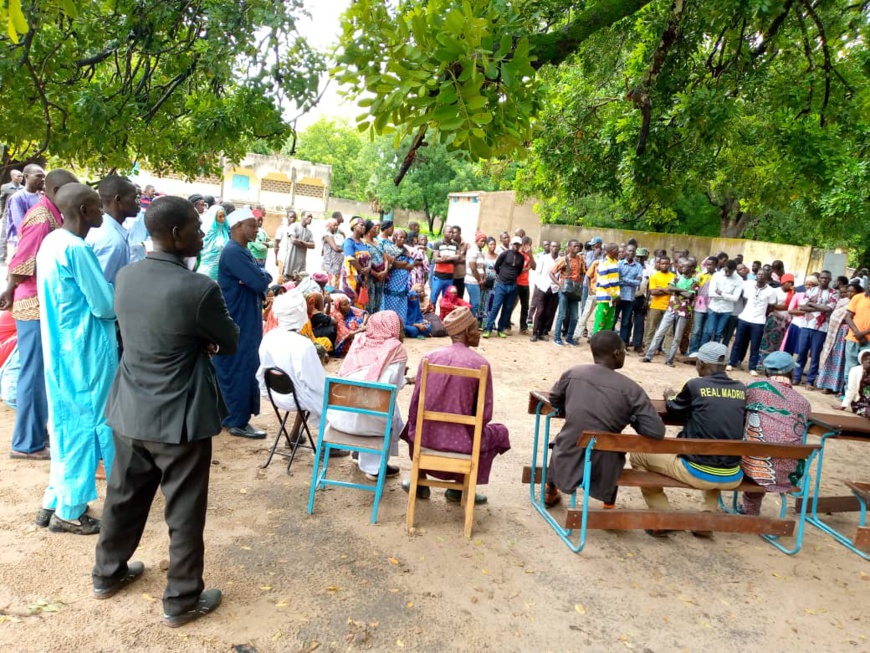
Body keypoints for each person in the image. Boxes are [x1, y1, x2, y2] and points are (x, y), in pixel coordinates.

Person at [93, 195, 237, 626]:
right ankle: (180, 600)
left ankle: (107, 574)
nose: (202, 232)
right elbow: (228, 340)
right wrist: (202, 341)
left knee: (122, 497)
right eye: (196, 226)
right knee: (184, 510)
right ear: (176, 234)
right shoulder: (199, 288)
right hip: (181, 417)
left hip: (130, 410)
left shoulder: (126, 276)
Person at [36, 183, 118, 535]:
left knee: (67, 423)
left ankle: (53, 499)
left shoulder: (51, 242)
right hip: (85, 351)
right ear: (84, 211)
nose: (102, 213)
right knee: (87, 427)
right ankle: (71, 510)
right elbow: (104, 305)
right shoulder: (77, 249)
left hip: (60, 348)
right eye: (98, 207)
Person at [1, 169, 78, 460]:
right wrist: (8, 290)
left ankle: (35, 435)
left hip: (43, 301)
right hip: (31, 303)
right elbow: (21, 261)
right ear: (56, 189)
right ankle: (25, 443)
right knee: (32, 374)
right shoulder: (40, 217)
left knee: (40, 373)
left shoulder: (53, 214)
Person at [632, 342, 747, 537]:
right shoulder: (741, 389)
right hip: (732, 474)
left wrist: (669, 396)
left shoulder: (696, 385)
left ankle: (663, 517)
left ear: (701, 363)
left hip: (697, 471)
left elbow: (675, 407)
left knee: (638, 455)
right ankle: (706, 519)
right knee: (716, 451)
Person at [400, 307, 511, 504]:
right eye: (476, 329)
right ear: (467, 332)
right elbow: (484, 414)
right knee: (499, 432)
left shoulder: (429, 357)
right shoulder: (480, 364)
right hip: (464, 445)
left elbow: (415, 406)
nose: (479, 333)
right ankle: (460, 488)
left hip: (426, 440)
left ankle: (420, 481)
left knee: (410, 424)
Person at [544, 330, 666, 508]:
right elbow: (656, 431)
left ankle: (550, 489)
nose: (625, 354)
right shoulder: (631, 389)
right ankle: (608, 506)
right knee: (612, 447)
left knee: (566, 436)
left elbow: (554, 399)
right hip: (605, 464)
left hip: (567, 452)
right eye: (624, 350)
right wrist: (631, 416)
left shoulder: (573, 372)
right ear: (616, 353)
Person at [213, 207, 272, 439]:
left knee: (244, 365)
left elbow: (261, 276)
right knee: (239, 366)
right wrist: (259, 277)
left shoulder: (241, 250)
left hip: (246, 317)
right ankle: (236, 420)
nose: (257, 229)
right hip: (238, 319)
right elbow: (259, 280)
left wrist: (259, 276)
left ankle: (235, 416)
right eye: (252, 225)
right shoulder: (234, 252)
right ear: (238, 227)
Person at [329, 311, 407, 481]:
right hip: (372, 424)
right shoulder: (397, 350)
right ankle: (375, 467)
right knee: (392, 409)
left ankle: (359, 454)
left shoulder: (359, 341)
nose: (402, 333)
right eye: (400, 329)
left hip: (339, 419)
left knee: (366, 399)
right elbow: (395, 386)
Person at [739, 352, 811, 516]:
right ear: (791, 373)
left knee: (755, 443)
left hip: (752, 470)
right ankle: (750, 510)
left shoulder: (754, 387)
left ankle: (750, 510)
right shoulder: (804, 403)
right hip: (787, 475)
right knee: (765, 447)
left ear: (766, 372)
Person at [257, 290, 326, 432]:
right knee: (330, 397)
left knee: (304, 387)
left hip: (274, 395)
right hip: (297, 398)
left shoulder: (269, 337)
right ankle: (327, 443)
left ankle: (294, 435)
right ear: (301, 315)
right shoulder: (304, 345)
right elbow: (316, 384)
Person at [642, 258, 698, 367]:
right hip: (671, 308)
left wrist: (676, 290)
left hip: (684, 311)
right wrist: (682, 290)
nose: (682, 267)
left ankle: (669, 360)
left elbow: (689, 295)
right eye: (682, 266)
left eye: (685, 266)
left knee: (677, 337)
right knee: (660, 333)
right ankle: (648, 356)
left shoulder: (695, 281)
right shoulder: (677, 278)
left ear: (691, 269)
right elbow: (670, 288)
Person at [86, 175, 140, 284]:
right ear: (118, 200)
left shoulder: (101, 228)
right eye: (134, 197)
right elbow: (100, 287)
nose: (138, 202)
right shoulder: (113, 242)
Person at [727, 270, 779, 375]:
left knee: (755, 346)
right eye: (759, 274)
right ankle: (731, 363)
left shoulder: (771, 291)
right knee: (737, 342)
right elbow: (745, 299)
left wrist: (762, 313)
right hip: (744, 318)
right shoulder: (749, 286)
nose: (760, 276)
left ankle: (752, 367)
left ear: (767, 277)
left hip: (758, 321)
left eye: (763, 275)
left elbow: (772, 305)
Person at [793, 270, 838, 388]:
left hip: (821, 328)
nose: (824, 280)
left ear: (830, 279)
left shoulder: (834, 293)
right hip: (806, 325)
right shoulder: (811, 290)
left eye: (826, 278)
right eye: (822, 278)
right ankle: (796, 377)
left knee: (815, 355)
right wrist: (820, 307)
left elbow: (829, 309)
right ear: (819, 279)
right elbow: (802, 306)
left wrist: (811, 304)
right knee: (801, 352)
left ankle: (810, 381)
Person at [817, 282, 863, 394]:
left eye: (852, 291)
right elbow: (835, 316)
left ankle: (841, 388)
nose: (849, 293)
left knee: (845, 362)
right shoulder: (842, 302)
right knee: (832, 358)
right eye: (848, 291)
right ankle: (827, 385)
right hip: (837, 334)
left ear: (857, 293)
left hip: (850, 334)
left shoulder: (859, 302)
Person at [483, 236, 525, 338]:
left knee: (507, 308)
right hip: (501, 284)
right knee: (496, 307)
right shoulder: (505, 254)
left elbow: (519, 270)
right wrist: (503, 276)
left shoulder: (521, 257)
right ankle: (488, 329)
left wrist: (512, 278)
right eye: (514, 244)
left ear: (520, 245)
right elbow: (497, 267)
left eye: (518, 244)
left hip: (513, 286)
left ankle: (500, 329)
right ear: (512, 244)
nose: (516, 246)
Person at [550, 239, 585, 347]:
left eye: (578, 246)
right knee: (562, 314)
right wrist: (559, 284)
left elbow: (583, 273)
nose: (577, 248)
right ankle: (557, 338)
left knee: (575, 316)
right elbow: (551, 273)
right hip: (564, 290)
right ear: (568, 248)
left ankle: (569, 337)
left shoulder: (581, 259)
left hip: (574, 291)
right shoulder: (564, 260)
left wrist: (580, 281)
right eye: (574, 246)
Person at [702, 260, 742, 344]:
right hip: (713, 307)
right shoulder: (717, 275)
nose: (727, 273)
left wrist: (721, 293)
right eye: (726, 271)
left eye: (730, 272)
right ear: (724, 268)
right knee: (709, 331)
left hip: (726, 310)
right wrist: (727, 296)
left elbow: (735, 298)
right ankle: (702, 351)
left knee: (718, 333)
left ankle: (714, 354)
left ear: (734, 270)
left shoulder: (739, 279)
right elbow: (711, 293)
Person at [6, 164, 45, 247]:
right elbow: (20, 225)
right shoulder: (18, 198)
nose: (42, 179)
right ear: (27, 176)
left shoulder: (42, 196)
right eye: (38, 176)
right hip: (23, 243)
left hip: (38, 242)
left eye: (43, 177)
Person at [530, 240, 561, 342]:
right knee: (540, 311)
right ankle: (535, 333)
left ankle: (544, 332)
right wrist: (539, 286)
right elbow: (538, 273)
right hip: (542, 287)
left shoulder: (561, 260)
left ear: (559, 248)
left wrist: (558, 285)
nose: (554, 248)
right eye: (552, 246)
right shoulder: (544, 258)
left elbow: (562, 275)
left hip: (554, 289)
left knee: (549, 312)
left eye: (556, 247)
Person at [643, 256, 675, 353]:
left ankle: (668, 353)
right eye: (662, 263)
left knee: (669, 331)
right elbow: (653, 292)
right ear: (659, 264)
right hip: (655, 306)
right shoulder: (654, 276)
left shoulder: (674, 277)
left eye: (666, 264)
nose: (664, 265)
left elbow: (673, 292)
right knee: (651, 329)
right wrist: (667, 290)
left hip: (670, 307)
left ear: (669, 264)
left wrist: (661, 288)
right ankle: (647, 350)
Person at [381, 226, 414, 317]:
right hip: (391, 282)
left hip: (402, 284)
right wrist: (402, 264)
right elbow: (389, 263)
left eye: (404, 238)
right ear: (395, 237)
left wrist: (398, 264)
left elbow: (411, 265)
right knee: (389, 304)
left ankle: (399, 326)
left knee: (400, 307)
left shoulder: (406, 251)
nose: (403, 240)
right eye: (400, 237)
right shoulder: (389, 249)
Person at [687, 257, 717, 354]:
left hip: (712, 307)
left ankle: (702, 352)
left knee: (706, 332)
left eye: (711, 265)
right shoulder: (700, 275)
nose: (709, 267)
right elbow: (693, 289)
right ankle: (692, 351)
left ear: (716, 265)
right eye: (707, 264)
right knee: (696, 330)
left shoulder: (718, 277)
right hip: (699, 307)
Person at [341, 216, 372, 309]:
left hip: (363, 276)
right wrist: (363, 270)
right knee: (352, 299)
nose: (364, 227)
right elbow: (351, 259)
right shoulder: (348, 242)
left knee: (361, 299)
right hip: (352, 276)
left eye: (364, 226)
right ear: (354, 226)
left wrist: (369, 268)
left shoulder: (363, 242)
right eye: (361, 225)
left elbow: (369, 258)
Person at [615, 243, 643, 344]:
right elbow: (617, 280)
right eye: (629, 251)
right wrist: (631, 281)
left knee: (625, 322)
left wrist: (624, 279)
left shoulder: (638, 266)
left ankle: (622, 343)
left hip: (630, 298)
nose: (631, 253)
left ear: (635, 253)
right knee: (613, 320)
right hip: (618, 296)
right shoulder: (619, 264)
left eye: (633, 251)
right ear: (626, 251)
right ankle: (611, 342)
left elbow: (638, 282)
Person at [196, 202, 231, 280]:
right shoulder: (208, 232)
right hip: (207, 269)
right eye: (220, 217)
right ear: (213, 217)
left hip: (220, 270)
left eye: (224, 216)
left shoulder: (224, 231)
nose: (223, 219)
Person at [592, 243, 620, 335]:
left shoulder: (615, 262)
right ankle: (595, 341)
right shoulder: (604, 264)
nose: (618, 251)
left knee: (609, 322)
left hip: (613, 298)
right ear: (609, 252)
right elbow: (604, 282)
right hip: (604, 297)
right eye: (616, 249)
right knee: (600, 321)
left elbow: (616, 281)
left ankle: (605, 343)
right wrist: (615, 295)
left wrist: (616, 295)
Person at [844, 279, 870, 374]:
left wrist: (862, 334)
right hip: (853, 338)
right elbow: (848, 317)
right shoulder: (858, 297)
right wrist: (857, 333)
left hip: (868, 341)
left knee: (867, 370)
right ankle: (849, 389)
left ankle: (863, 389)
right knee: (850, 369)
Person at [430, 226, 460, 304]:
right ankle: (430, 315)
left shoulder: (456, 244)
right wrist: (451, 258)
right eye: (449, 232)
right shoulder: (437, 243)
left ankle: (443, 315)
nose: (451, 234)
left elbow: (458, 257)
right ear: (444, 233)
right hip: (438, 276)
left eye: (452, 232)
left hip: (450, 277)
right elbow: (436, 259)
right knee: (433, 298)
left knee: (447, 300)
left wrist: (446, 258)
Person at [363, 220, 387, 314]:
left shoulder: (379, 242)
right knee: (369, 300)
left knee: (378, 300)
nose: (377, 229)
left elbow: (385, 258)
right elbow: (364, 262)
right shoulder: (364, 244)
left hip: (381, 275)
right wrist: (376, 274)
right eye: (374, 228)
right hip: (371, 276)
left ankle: (376, 321)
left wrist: (384, 271)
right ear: (368, 231)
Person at [0, 169, 23, 263]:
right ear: (12, 177)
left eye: (21, 176)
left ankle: (18, 257)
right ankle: (2, 257)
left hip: (19, 215)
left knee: (20, 235)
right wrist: (1, 212)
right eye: (18, 176)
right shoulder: (6, 187)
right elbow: (1, 200)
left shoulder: (23, 188)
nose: (21, 178)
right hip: (7, 214)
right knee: (4, 235)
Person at [464, 232, 487, 319]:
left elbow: (483, 267)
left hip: (478, 281)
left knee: (473, 303)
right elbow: (473, 268)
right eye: (481, 241)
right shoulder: (472, 251)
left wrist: (484, 277)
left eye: (485, 241)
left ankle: (469, 323)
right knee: (476, 303)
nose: (483, 243)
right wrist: (480, 281)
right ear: (476, 241)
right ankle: (470, 322)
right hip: (472, 281)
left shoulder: (481, 252)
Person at [285, 211, 314, 276]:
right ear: (302, 217)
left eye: (311, 217)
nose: (310, 218)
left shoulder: (309, 232)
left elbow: (313, 245)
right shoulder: (294, 226)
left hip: (301, 262)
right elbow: (294, 241)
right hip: (291, 260)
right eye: (308, 216)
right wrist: (307, 244)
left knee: (300, 280)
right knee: (288, 281)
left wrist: (302, 242)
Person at [842, 350, 870, 416]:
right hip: (861, 403)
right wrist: (844, 405)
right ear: (862, 361)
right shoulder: (855, 371)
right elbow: (851, 389)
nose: (868, 361)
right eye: (865, 359)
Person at [320, 216, 344, 286]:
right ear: (329, 226)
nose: (336, 227)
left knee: (335, 283)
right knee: (330, 284)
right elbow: (335, 248)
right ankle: (328, 296)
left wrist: (343, 234)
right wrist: (346, 249)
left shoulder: (335, 235)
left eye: (337, 225)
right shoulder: (328, 235)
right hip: (331, 265)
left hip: (336, 265)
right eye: (334, 225)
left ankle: (332, 295)